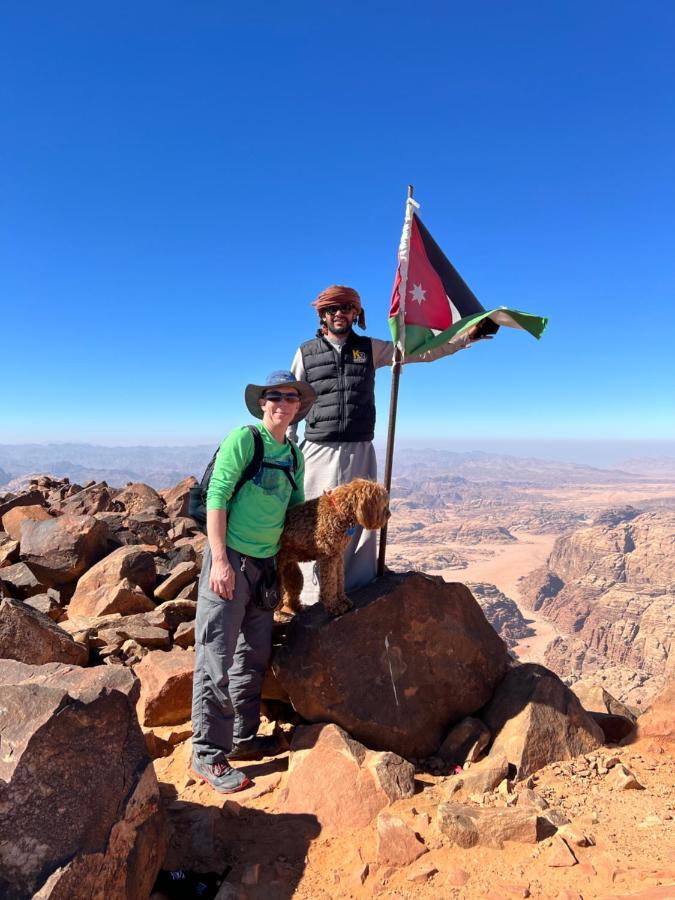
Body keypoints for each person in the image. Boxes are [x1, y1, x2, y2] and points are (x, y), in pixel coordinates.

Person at [289, 285, 495, 601]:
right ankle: (311, 599)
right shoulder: (306, 353)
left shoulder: (370, 348)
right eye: (332, 309)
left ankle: (356, 591)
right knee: (316, 524)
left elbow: (419, 350)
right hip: (319, 451)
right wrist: (287, 452)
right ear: (322, 315)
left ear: (356, 312)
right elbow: (292, 405)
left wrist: (466, 336)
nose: (339, 314)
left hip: (360, 448)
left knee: (363, 519)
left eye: (346, 308)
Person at [190, 370, 315, 793]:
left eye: (290, 397)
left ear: (299, 406)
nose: (282, 402)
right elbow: (217, 496)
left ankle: (241, 739)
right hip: (231, 563)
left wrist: (336, 526)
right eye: (274, 396)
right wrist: (220, 561)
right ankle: (208, 754)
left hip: (266, 568)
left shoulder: (293, 455)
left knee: (252, 657)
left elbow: (295, 513)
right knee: (216, 657)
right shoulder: (246, 440)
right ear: (263, 403)